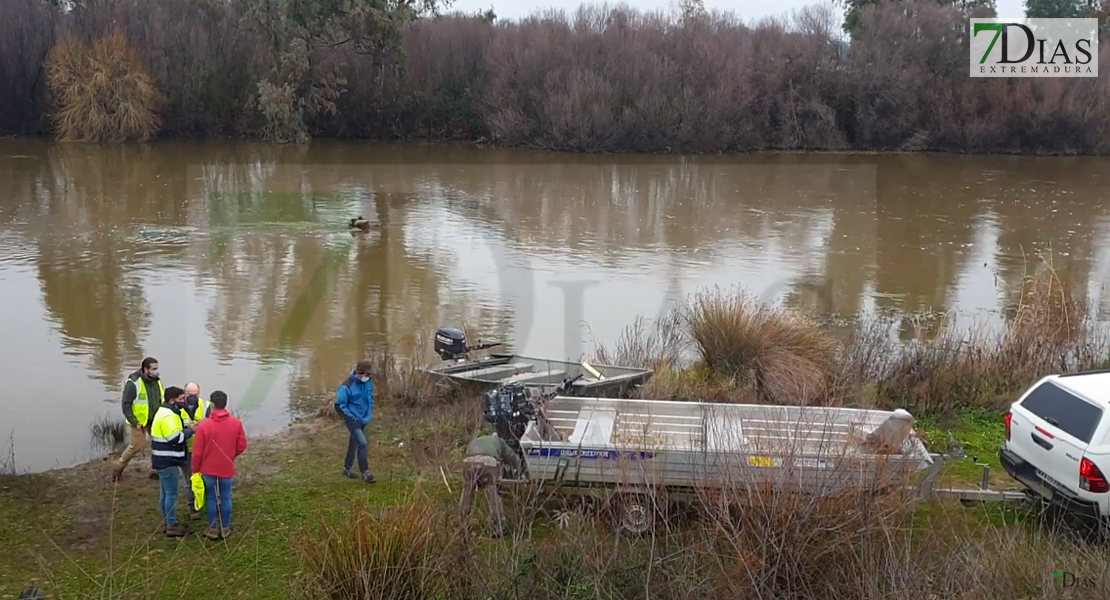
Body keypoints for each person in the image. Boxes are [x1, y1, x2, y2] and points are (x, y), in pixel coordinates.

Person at [191, 390, 248, 541]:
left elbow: (197, 452)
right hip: (227, 467)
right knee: (226, 496)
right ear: (225, 403)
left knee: (211, 497)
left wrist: (195, 468)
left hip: (208, 469)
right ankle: (225, 527)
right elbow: (242, 445)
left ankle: (213, 527)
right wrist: (231, 455)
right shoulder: (236, 423)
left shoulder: (204, 425)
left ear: (212, 404)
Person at [150, 386, 194, 537]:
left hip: (161, 458)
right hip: (168, 460)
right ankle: (172, 525)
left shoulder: (162, 412)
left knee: (165, 493)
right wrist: (191, 430)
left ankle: (168, 520)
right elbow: (176, 438)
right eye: (181, 399)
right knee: (171, 494)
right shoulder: (169, 416)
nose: (183, 402)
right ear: (172, 400)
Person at [458, 433, 521, 538]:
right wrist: (518, 470)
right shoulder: (499, 441)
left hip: (468, 463)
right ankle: (498, 529)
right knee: (493, 496)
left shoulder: (476, 440)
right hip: (488, 463)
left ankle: (462, 526)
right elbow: (512, 458)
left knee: (466, 495)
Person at [112, 357, 165, 482]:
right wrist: (134, 421)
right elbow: (126, 405)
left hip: (155, 420)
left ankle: (156, 470)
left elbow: (161, 399)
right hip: (138, 422)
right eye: (154, 369)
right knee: (136, 446)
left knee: (158, 444)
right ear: (145, 369)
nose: (156, 371)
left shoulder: (157, 381)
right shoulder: (133, 383)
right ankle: (118, 468)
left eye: (157, 368)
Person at [335, 361, 376, 483]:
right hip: (353, 420)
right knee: (362, 443)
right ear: (358, 372)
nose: (365, 376)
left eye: (367, 374)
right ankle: (365, 473)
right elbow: (339, 405)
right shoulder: (346, 386)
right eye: (362, 373)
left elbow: (370, 398)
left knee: (354, 443)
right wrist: (351, 418)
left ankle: (347, 468)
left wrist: (369, 412)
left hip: (364, 419)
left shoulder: (368, 383)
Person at [180, 382, 209, 519]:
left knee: (206, 477)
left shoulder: (206, 406)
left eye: (195, 395)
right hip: (186, 450)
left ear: (199, 393)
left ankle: (206, 503)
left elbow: (213, 425)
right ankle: (192, 507)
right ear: (184, 394)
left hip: (204, 449)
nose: (192, 397)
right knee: (189, 480)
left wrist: (202, 426)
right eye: (189, 395)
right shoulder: (177, 408)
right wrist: (188, 429)